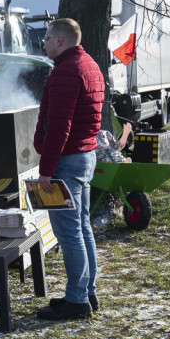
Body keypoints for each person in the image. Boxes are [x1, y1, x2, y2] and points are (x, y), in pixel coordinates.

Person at [33, 18, 105, 321]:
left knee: (69, 232)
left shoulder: (66, 71)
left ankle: (77, 300)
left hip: (67, 160)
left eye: (46, 40)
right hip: (85, 156)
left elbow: (59, 127)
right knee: (82, 227)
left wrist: (46, 171)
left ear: (60, 40)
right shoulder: (89, 64)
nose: (45, 45)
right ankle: (86, 292)